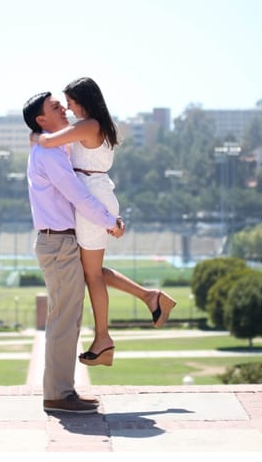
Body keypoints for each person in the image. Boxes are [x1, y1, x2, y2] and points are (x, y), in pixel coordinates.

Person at [31, 77, 176, 367]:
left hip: (92, 196)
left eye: (70, 103)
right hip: (96, 192)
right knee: (91, 271)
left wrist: (35, 137)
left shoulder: (89, 125)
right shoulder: (96, 125)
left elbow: (48, 140)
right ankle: (150, 297)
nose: (69, 109)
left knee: (92, 275)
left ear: (83, 101)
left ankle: (103, 339)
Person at [23, 90, 124, 414]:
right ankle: (58, 394)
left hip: (59, 241)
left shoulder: (53, 148)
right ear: (42, 119)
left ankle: (61, 391)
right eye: (55, 107)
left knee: (66, 318)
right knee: (64, 321)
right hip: (59, 242)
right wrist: (111, 223)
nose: (63, 108)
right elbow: (78, 196)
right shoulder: (51, 155)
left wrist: (38, 137)